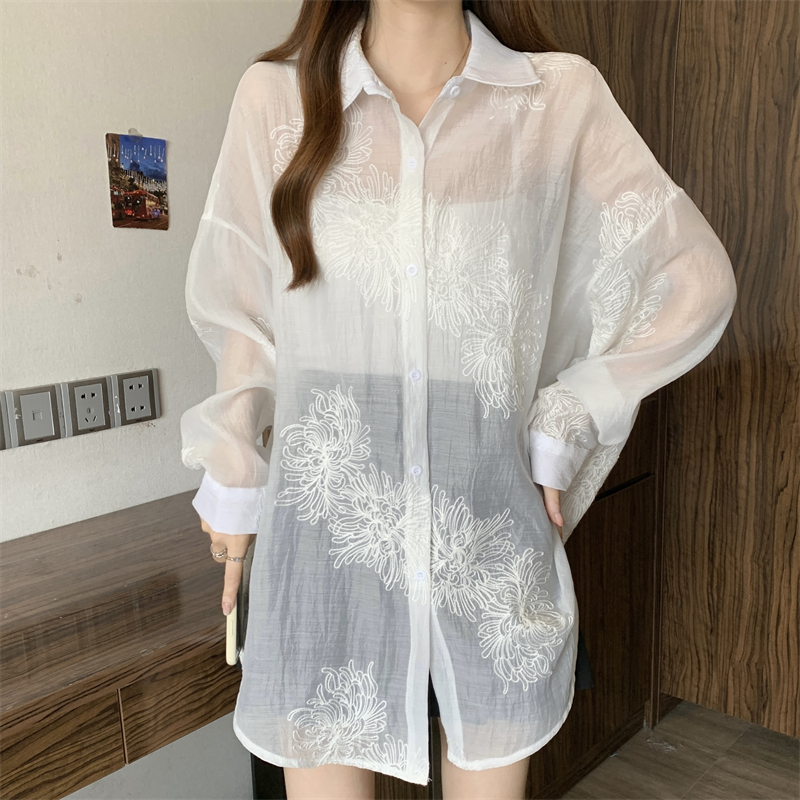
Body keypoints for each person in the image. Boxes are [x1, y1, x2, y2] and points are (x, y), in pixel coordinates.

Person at [179, 1, 738, 798]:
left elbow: (692, 277)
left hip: (488, 557)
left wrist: (570, 412)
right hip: (328, 555)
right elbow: (247, 315)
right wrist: (235, 468)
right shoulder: (276, 100)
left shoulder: (556, 102)